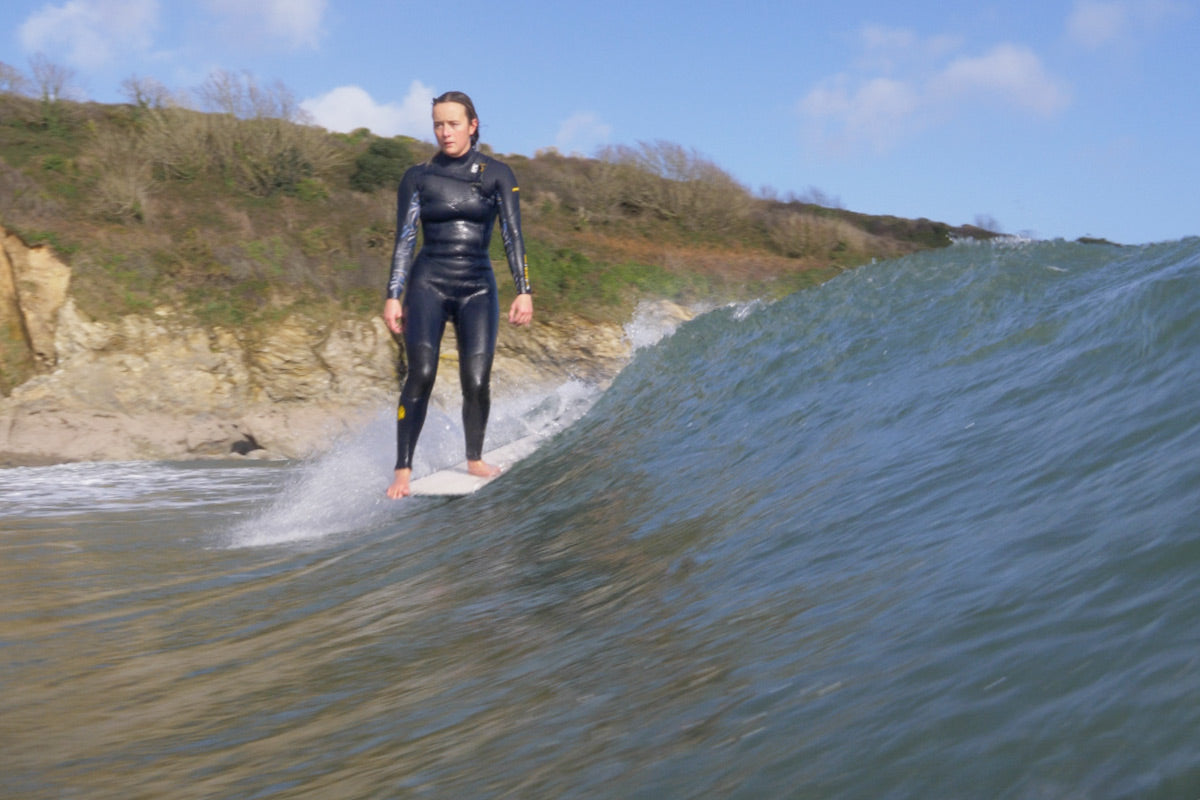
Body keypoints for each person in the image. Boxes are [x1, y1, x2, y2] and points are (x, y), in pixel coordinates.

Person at [382, 91, 533, 498]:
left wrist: (524, 290)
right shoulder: (418, 176)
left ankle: (474, 458)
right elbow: (405, 238)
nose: (444, 132)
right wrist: (394, 294)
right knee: (422, 373)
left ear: (473, 125)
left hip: (477, 285)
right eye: (437, 124)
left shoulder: (498, 174)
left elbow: (512, 235)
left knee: (477, 379)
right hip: (427, 282)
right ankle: (402, 470)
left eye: (452, 124)